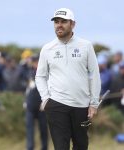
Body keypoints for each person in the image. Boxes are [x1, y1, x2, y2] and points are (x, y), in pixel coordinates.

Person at [35, 8, 101, 150]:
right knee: (61, 147)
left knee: (81, 146)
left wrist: (94, 103)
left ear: (73, 24)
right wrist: (46, 99)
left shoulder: (86, 46)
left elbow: (94, 74)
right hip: (57, 104)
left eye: (63, 22)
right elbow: (40, 76)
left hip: (81, 105)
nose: (59, 25)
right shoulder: (47, 48)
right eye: (56, 22)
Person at [25, 54, 48, 150]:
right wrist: (25, 101)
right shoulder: (29, 71)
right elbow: (27, 89)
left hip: (41, 106)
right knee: (30, 131)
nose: (35, 63)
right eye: (33, 61)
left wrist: (45, 102)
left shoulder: (46, 73)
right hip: (30, 105)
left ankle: (44, 148)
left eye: (36, 61)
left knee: (43, 130)